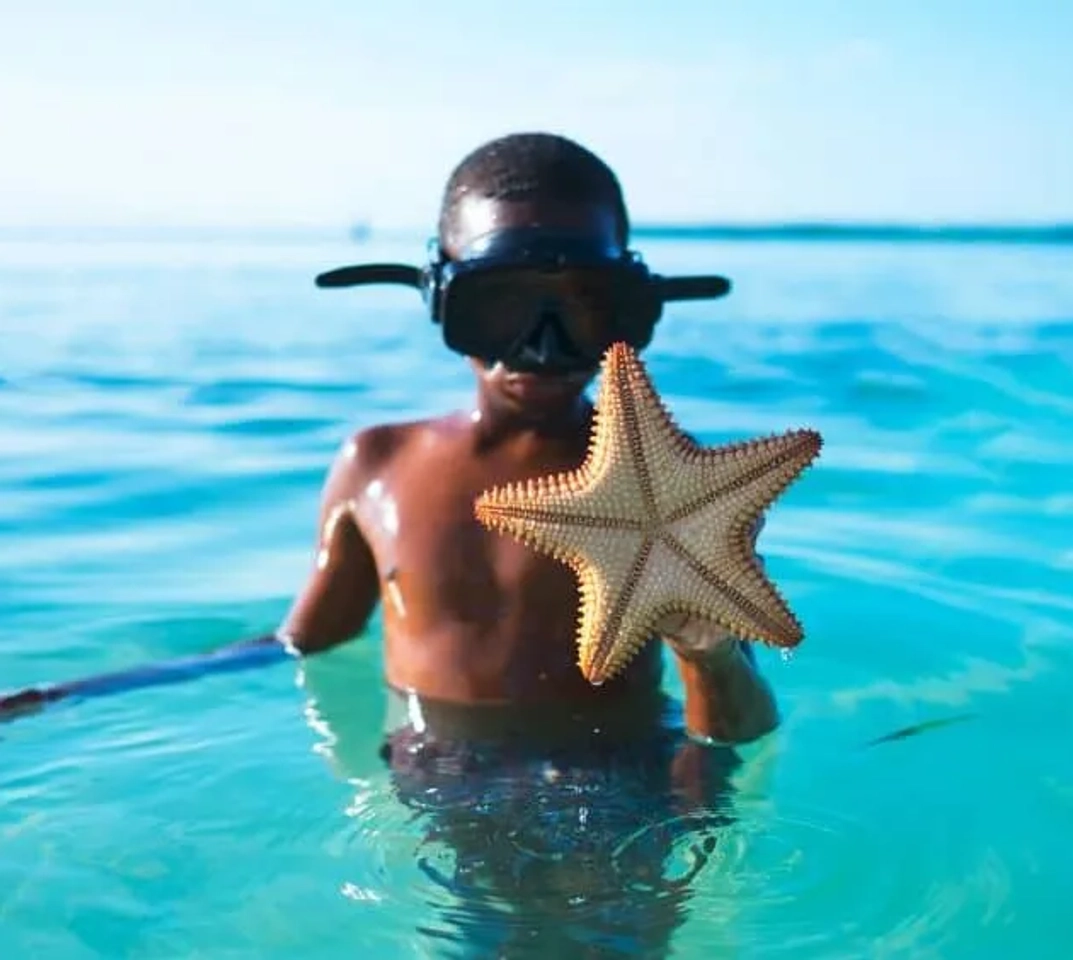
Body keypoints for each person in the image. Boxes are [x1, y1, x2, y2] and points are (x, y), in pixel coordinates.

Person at [290, 132, 782, 956]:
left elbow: (734, 731)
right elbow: (304, 645)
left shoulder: (679, 490)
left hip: (623, 792)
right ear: (440, 296)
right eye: (501, 305)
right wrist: (87, 693)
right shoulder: (377, 465)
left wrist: (711, 648)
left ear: (634, 308)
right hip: (438, 784)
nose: (545, 346)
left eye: (588, 304)